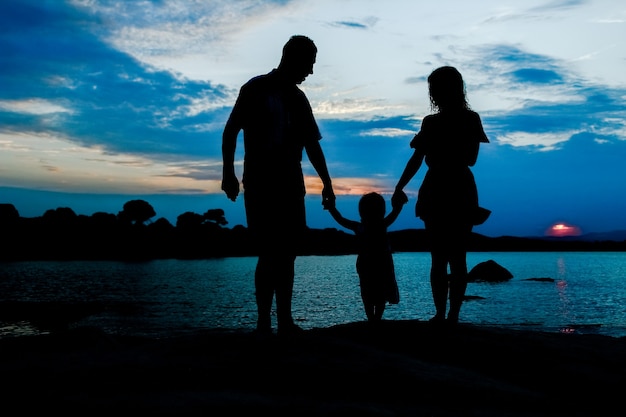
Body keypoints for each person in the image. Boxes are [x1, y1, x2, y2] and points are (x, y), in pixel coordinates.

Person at [221, 35, 335, 336]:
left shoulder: (299, 99)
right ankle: (263, 322)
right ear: (293, 58)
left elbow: (312, 144)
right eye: (309, 63)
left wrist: (327, 183)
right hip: (260, 180)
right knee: (269, 251)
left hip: (290, 182)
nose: (310, 71)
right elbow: (231, 130)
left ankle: (284, 320)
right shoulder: (254, 88)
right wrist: (227, 174)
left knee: (287, 252)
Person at [392, 66, 489, 325]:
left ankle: (451, 315)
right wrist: (399, 186)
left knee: (453, 257)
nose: (434, 93)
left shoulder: (467, 119)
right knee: (443, 257)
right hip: (441, 187)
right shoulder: (431, 122)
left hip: (453, 186)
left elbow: (470, 158)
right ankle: (442, 314)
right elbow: (417, 158)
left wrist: (440, 147)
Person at [324, 192, 405, 323]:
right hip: (380, 264)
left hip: (368, 264)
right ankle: (376, 319)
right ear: (382, 211)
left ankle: (372, 319)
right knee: (379, 292)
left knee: (368, 292)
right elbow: (395, 212)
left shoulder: (361, 227)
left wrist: (332, 209)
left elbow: (341, 219)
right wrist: (399, 204)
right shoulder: (381, 225)